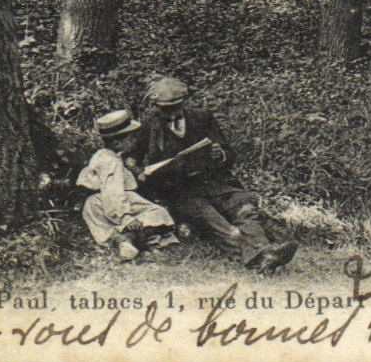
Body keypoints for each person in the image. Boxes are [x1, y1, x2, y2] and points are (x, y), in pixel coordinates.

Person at [137, 76, 297, 272]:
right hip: (179, 191)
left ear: (184, 102)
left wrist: (219, 154)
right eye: (164, 109)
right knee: (208, 215)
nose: (169, 113)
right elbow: (133, 159)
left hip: (213, 182)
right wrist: (140, 172)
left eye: (175, 107)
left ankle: (263, 251)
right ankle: (260, 254)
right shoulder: (149, 126)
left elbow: (229, 155)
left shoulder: (202, 118)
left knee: (243, 206)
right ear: (155, 106)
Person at [78, 110, 178, 261]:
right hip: (107, 204)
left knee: (152, 212)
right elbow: (113, 191)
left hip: (105, 203)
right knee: (158, 213)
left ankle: (124, 240)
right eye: (131, 137)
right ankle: (130, 240)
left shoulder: (108, 156)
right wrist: (126, 217)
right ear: (117, 142)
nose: (135, 140)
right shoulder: (110, 161)